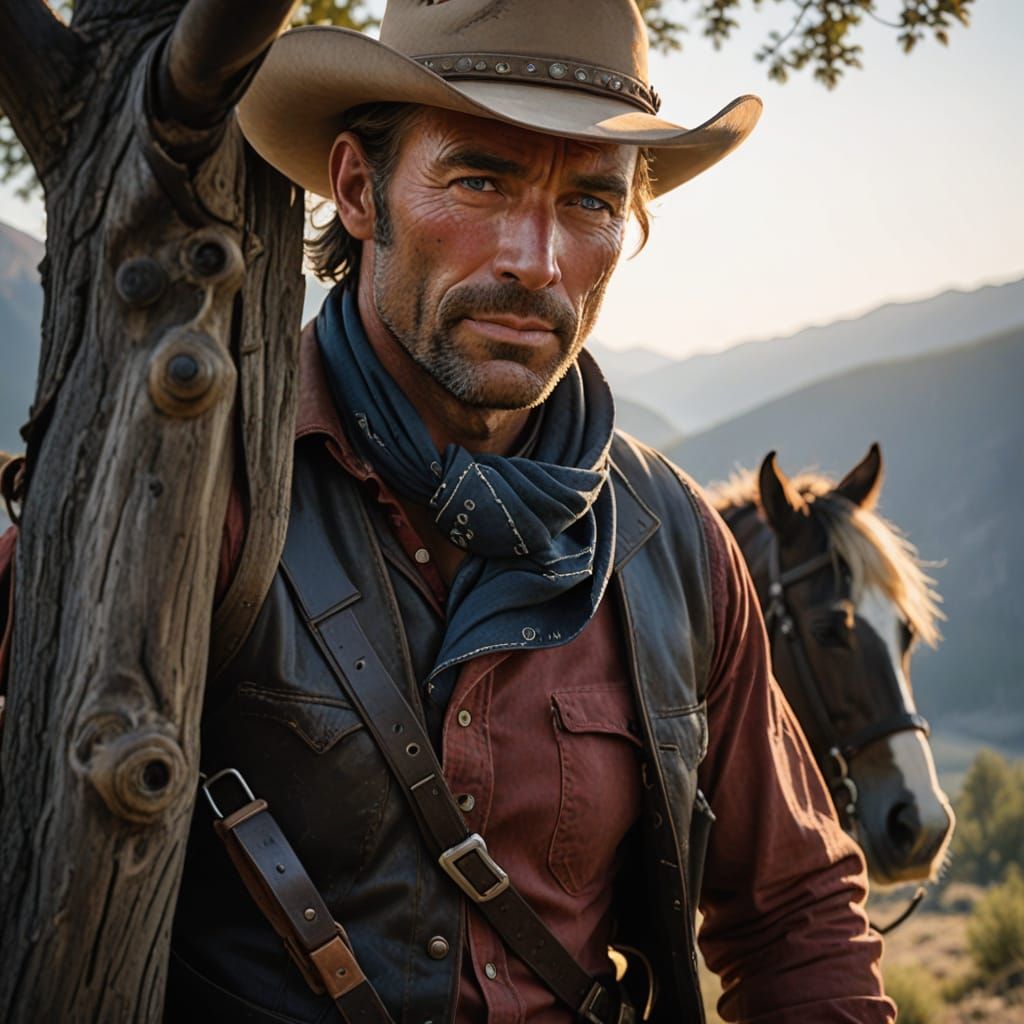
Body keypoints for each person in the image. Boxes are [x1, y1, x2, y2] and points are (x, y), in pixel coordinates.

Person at [0, 1, 896, 1022]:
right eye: (482, 179)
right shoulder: (200, 487)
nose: (536, 259)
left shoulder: (672, 542)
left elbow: (795, 916)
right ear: (356, 190)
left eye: (591, 203)